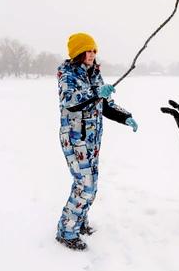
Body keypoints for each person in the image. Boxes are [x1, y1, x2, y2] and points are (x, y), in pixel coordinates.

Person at [56, 32, 138, 250]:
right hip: (75, 138)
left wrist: (125, 116)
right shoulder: (67, 74)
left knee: (91, 184)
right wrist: (95, 92)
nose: (91, 54)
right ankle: (66, 231)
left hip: (92, 140)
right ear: (77, 52)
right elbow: (70, 101)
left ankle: (80, 221)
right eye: (87, 50)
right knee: (85, 186)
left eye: (94, 50)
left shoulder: (94, 74)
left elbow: (105, 104)